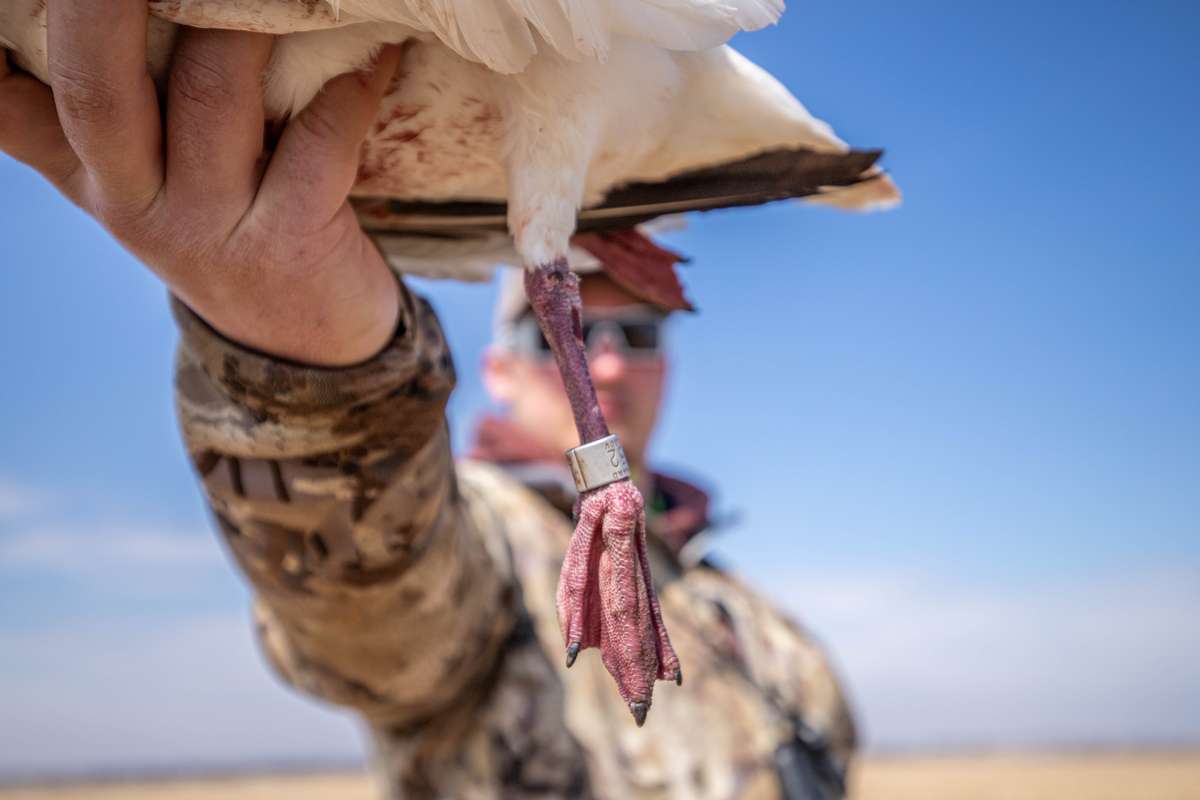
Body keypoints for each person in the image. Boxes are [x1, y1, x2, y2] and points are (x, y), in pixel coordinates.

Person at [1, 7, 856, 798]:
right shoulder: (486, 551)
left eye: (639, 339)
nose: (604, 365)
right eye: (558, 336)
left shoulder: (777, 642)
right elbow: (368, 626)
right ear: (500, 368)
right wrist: (313, 361)